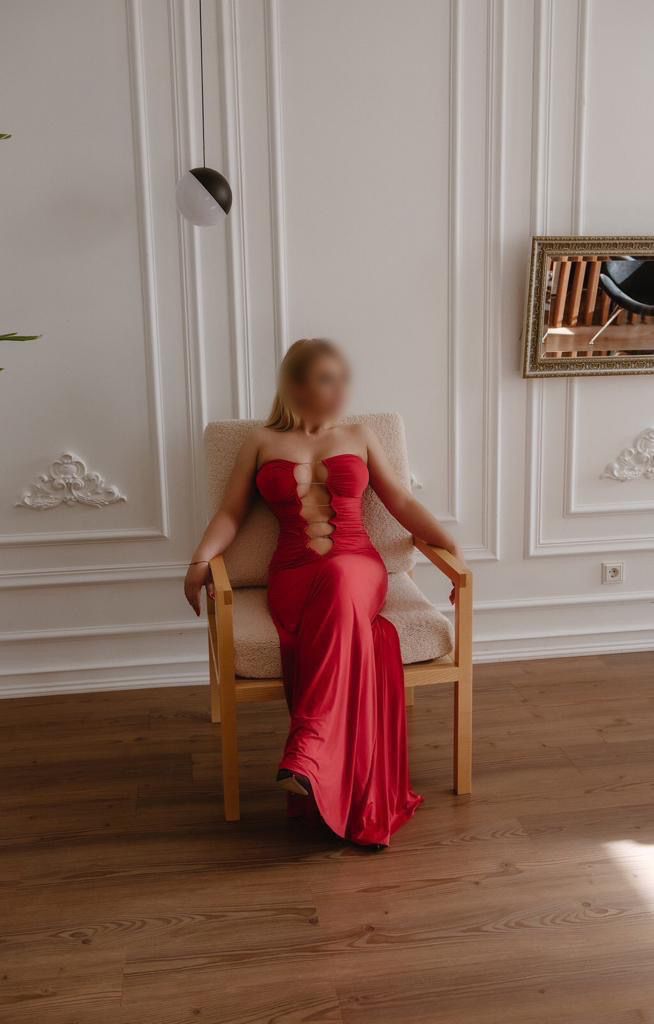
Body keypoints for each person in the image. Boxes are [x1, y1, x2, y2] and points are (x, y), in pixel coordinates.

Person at [184, 338, 465, 849]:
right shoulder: (259, 442)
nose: (340, 390)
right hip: (293, 574)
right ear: (295, 385)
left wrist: (450, 547)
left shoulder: (360, 435)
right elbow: (230, 513)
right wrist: (200, 560)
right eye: (326, 379)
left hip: (358, 566)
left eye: (343, 378)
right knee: (335, 597)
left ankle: (308, 754)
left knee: (340, 577)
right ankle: (314, 764)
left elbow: (401, 501)